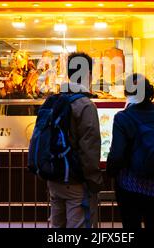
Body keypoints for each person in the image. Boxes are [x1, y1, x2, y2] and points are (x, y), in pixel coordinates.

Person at [106, 74, 154, 228]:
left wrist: (110, 174)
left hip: (129, 186)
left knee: (131, 226)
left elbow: (117, 154)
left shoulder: (122, 117)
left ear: (127, 93)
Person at [47, 52, 104, 228]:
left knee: (58, 226)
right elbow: (89, 148)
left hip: (54, 177)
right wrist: (94, 180)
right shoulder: (86, 105)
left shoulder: (54, 100)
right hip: (76, 181)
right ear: (88, 74)